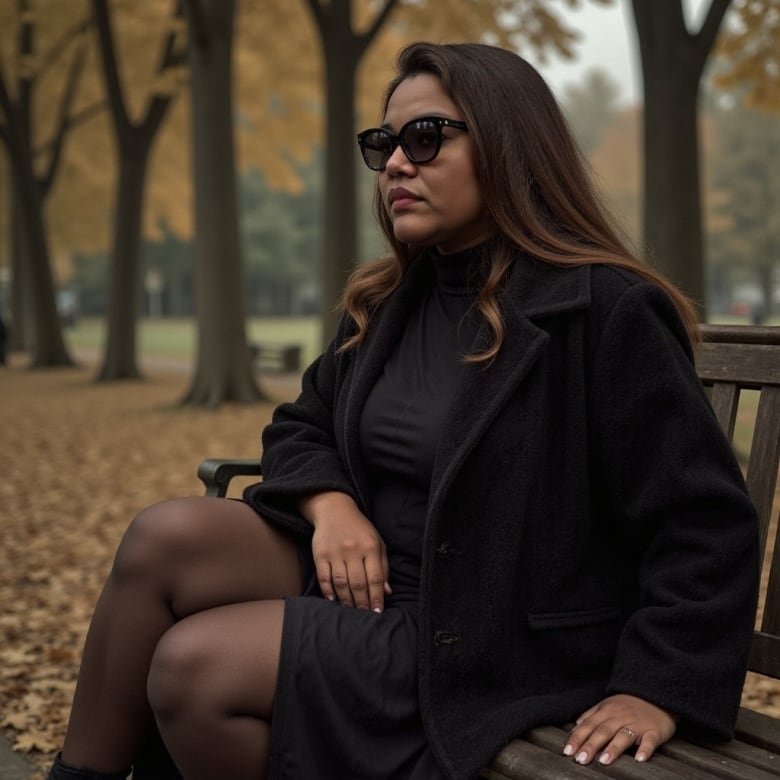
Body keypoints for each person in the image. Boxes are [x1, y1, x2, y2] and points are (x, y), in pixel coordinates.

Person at [48, 41, 760, 780]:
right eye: (384, 144)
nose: (395, 164)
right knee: (166, 536)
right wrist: (330, 507)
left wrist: (656, 687)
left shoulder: (603, 309)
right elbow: (301, 426)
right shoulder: (386, 303)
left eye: (425, 139)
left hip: (494, 635)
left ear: (508, 147)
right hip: (375, 581)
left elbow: (703, 523)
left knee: (195, 668)